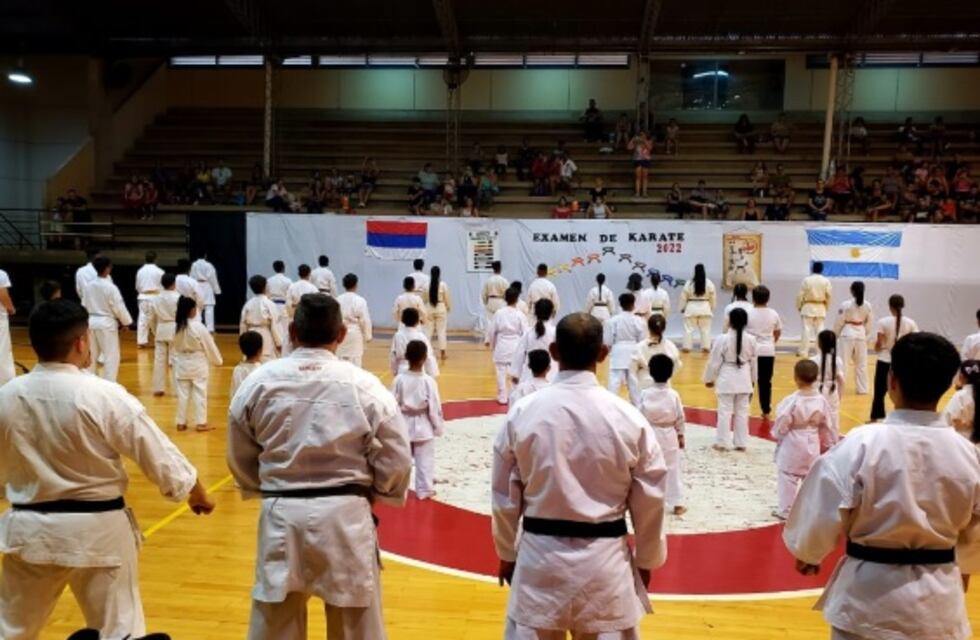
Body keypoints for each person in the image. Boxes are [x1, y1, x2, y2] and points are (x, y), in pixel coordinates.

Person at [0, 299, 214, 639]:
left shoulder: (6, 397)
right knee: (119, 631)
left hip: (30, 530)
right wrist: (193, 489)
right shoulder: (102, 394)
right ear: (82, 342)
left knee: (11, 630)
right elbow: (152, 448)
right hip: (99, 531)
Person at [227, 294, 412, 640]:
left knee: (275, 624)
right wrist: (377, 491)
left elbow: (240, 456)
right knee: (355, 627)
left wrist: (267, 485)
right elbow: (397, 457)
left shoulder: (257, 383)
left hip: (281, 514)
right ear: (342, 334)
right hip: (345, 515)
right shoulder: (365, 387)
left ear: (292, 332)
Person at [783, 332, 980, 640]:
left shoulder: (861, 444)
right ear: (947, 384)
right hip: (939, 603)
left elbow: (824, 501)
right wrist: (965, 568)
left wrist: (809, 552)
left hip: (867, 604)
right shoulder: (969, 455)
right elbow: (975, 530)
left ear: (891, 381)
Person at [492, 313, 667, 639]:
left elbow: (504, 497)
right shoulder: (629, 419)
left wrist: (506, 552)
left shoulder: (521, 414)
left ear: (555, 351)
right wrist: (647, 558)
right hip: (605, 565)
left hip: (540, 561)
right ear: (603, 353)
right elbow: (651, 499)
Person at [771, 360, 835, 521]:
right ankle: (810, 509)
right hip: (812, 439)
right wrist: (828, 443)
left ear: (796, 378)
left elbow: (783, 420)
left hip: (794, 439)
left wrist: (778, 434)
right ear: (816, 378)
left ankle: (786, 510)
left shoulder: (792, 401)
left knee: (787, 475)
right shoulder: (821, 400)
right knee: (809, 477)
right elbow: (827, 424)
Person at [392, 340, 444, 501]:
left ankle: (398, 488)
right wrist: (437, 426)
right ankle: (424, 489)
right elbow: (434, 408)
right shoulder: (428, 381)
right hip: (423, 424)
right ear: (424, 358)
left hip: (403, 423)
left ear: (407, 357)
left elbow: (391, 404)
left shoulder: (399, 380)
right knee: (425, 460)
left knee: (402, 459)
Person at [703, 308, 758, 451]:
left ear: (730, 321)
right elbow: (754, 363)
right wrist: (753, 380)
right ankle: (741, 443)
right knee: (742, 412)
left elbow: (714, 361)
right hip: (744, 377)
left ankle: (722, 442)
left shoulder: (722, 339)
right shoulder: (751, 340)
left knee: (724, 411)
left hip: (727, 377)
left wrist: (709, 378)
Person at [638, 354, 687, 515]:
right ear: (670, 373)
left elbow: (638, 415)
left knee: (648, 467)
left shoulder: (644, 394)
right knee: (672, 468)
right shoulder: (673, 395)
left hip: (650, 434)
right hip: (669, 434)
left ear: (650, 372)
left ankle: (647, 500)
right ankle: (678, 503)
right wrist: (680, 434)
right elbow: (680, 417)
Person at [172, 296, 222, 432]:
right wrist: (218, 361)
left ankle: (181, 422)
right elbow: (209, 345)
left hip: (181, 362)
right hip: (197, 362)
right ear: (192, 310)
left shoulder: (176, 326)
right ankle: (201, 423)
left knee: (182, 394)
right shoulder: (198, 327)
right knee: (200, 393)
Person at [83, 257, 132, 382]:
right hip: (106, 323)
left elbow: (84, 304)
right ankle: (110, 384)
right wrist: (126, 322)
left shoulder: (89, 286)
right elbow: (118, 306)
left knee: (91, 355)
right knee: (111, 356)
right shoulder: (110, 287)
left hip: (91, 321)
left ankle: (90, 383)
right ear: (107, 268)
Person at [870, 294, 918, 422]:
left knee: (879, 391)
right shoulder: (911, 323)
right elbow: (915, 341)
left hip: (885, 360)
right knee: (905, 391)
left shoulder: (883, 322)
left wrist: (877, 348)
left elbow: (879, 345)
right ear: (903, 306)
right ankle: (906, 418)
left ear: (890, 306)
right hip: (904, 361)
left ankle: (877, 417)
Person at [489, 288, 530, 404]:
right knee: (516, 372)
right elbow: (526, 332)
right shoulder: (520, 315)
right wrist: (525, 349)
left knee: (500, 372)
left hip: (502, 345)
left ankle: (502, 396)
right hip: (516, 346)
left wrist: (493, 346)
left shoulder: (499, 313)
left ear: (505, 299)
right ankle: (514, 394)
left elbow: (492, 331)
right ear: (517, 300)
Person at [748, 285, 783, 419]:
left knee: (749, 381)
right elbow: (778, 331)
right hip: (768, 351)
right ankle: (766, 410)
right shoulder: (773, 313)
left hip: (750, 351)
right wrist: (771, 342)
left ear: (753, 298)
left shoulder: (748, 312)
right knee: (765, 382)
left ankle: (744, 407)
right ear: (768, 298)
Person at [605, 293, 647, 405]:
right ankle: (637, 405)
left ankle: (610, 404)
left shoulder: (613, 321)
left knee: (614, 381)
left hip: (618, 350)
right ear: (633, 305)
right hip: (634, 350)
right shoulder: (639, 321)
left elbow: (608, 341)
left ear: (620, 304)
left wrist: (610, 351)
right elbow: (642, 340)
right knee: (634, 381)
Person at [834, 281, 874, 396]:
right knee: (862, 363)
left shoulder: (845, 304)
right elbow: (869, 322)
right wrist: (864, 332)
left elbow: (839, 321)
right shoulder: (868, 305)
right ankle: (863, 389)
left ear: (852, 291)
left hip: (847, 334)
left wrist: (835, 334)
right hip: (860, 334)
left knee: (843, 362)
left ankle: (838, 389)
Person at [509, 299, 557, 386]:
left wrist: (516, 374)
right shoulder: (555, 332)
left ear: (535, 313)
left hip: (530, 375)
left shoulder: (528, 333)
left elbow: (519, 355)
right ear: (552, 313)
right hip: (551, 376)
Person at [630, 314, 682, 394]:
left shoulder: (639, 347)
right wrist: (665, 376)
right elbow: (677, 365)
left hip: (643, 385)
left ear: (648, 327)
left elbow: (632, 371)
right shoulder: (670, 346)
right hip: (665, 386)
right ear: (664, 329)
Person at [147, 273, 180, 397]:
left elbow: (150, 317)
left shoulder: (156, 298)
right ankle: (178, 390)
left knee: (159, 360)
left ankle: (158, 388)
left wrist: (155, 330)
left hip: (161, 328)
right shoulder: (178, 297)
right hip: (174, 328)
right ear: (174, 283)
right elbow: (182, 316)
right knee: (176, 359)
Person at [240, 275, 283, 362]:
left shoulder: (248, 304)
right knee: (267, 363)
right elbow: (275, 325)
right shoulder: (269, 304)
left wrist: (243, 341)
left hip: (250, 335)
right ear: (265, 287)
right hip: (265, 336)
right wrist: (279, 343)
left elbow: (243, 325)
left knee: (251, 363)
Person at [812, 330, 846, 441]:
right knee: (833, 418)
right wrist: (840, 395)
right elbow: (841, 380)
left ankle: (813, 443)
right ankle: (833, 443)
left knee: (814, 417)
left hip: (817, 390)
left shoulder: (814, 360)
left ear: (819, 343)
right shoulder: (838, 360)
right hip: (832, 390)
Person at [389, 308, 439, 379]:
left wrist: (394, 371)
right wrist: (432, 374)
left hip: (402, 370)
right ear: (417, 321)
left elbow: (393, 356)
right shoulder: (421, 336)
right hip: (419, 370)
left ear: (402, 320)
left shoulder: (398, 336)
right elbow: (428, 356)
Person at [336, 273, 373, 368]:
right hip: (354, 333)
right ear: (356, 285)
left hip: (340, 333)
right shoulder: (360, 300)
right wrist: (367, 335)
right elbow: (365, 319)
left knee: (340, 361)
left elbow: (333, 318)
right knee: (355, 363)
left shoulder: (337, 300)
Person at [797, 262, 833, 357]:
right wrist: (826, 307)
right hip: (820, 307)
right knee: (820, 330)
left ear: (812, 269)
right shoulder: (826, 281)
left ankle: (803, 351)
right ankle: (820, 351)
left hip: (808, 306)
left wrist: (799, 306)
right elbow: (829, 296)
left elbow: (800, 295)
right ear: (822, 270)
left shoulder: (807, 280)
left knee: (806, 330)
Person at [679, 263, 716, 353]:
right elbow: (713, 297)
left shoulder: (689, 283)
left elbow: (683, 297)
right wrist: (712, 307)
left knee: (689, 329)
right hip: (705, 307)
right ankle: (706, 347)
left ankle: (687, 347)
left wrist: (682, 307)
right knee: (705, 329)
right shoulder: (709, 283)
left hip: (691, 307)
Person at [135, 251, 164, 348]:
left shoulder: (140, 271)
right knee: (156, 319)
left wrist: (143, 292)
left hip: (143, 297)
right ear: (156, 259)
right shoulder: (160, 271)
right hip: (155, 297)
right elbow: (163, 286)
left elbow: (137, 286)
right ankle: (159, 339)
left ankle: (141, 341)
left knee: (142, 319)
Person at [944, 360, 979, 440]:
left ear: (961, 376)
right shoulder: (963, 394)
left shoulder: (961, 395)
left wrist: (970, 424)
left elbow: (951, 420)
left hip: (963, 441)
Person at [425, 266, 452, 361]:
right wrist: (448, 307)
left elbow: (424, 299)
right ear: (439, 274)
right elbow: (447, 297)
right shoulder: (443, 285)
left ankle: (426, 353)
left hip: (429, 309)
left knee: (428, 332)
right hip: (441, 308)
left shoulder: (426, 285)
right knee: (441, 331)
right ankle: (443, 353)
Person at [190, 253, 221, 333]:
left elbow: (191, 276)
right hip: (207, 285)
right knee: (209, 308)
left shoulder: (194, 265)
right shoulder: (209, 265)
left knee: (197, 308)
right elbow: (213, 278)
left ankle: (197, 327)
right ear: (205, 256)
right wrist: (216, 290)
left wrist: (191, 288)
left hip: (197, 285)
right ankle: (210, 328)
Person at [482, 261, 509, 345]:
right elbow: (508, 293)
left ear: (493, 269)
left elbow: (483, 294)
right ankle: (500, 339)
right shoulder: (504, 281)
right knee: (501, 321)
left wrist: (486, 302)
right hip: (501, 301)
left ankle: (487, 340)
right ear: (500, 268)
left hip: (490, 300)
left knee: (489, 321)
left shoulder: (488, 280)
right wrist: (506, 302)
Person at [231, 331, 263, 399]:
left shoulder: (238, 370)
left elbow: (234, 393)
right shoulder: (262, 369)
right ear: (260, 350)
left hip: (241, 406)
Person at [628, 130, 654, 197]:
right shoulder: (636, 142)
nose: (641, 136)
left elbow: (650, 148)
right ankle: (637, 193)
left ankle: (644, 193)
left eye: (643, 135)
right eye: (640, 135)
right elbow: (629, 147)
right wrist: (633, 139)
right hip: (637, 159)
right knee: (638, 177)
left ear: (645, 135)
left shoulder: (649, 140)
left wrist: (644, 141)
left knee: (645, 177)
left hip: (645, 159)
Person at [0, 268, 13, 385]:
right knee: (2, 348)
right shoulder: (1, 274)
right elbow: (2, 293)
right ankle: (4, 381)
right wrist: (11, 308)